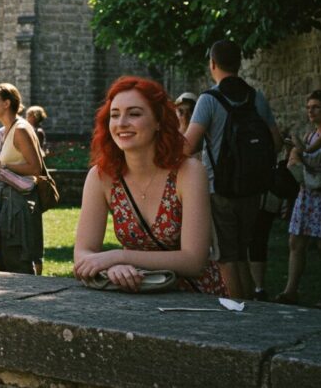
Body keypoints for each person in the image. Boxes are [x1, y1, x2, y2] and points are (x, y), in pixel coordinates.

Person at [75, 76, 227, 295]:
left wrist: (119, 256)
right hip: (139, 292)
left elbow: (194, 261)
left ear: (158, 121)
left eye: (134, 113)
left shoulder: (189, 172)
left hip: (193, 298)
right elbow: (82, 255)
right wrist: (116, 268)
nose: (121, 123)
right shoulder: (101, 177)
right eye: (114, 115)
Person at [184, 39, 281, 299]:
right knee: (243, 253)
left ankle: (239, 315)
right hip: (252, 189)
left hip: (220, 188)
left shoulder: (208, 99)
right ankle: (253, 309)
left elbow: (187, 146)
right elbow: (276, 141)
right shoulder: (256, 97)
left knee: (226, 257)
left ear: (212, 63)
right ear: (239, 63)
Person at [275, 90, 321, 310]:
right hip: (308, 193)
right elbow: (302, 162)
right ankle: (290, 291)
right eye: (308, 107)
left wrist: (296, 148)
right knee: (296, 241)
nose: (311, 111)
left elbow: (307, 152)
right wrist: (294, 152)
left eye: (316, 107)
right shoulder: (311, 134)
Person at [0, 83, 45, 274]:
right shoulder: (1, 132)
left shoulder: (21, 129)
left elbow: (35, 168)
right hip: (5, 200)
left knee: (17, 261)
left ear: (7, 103)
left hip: (19, 203)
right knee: (4, 259)